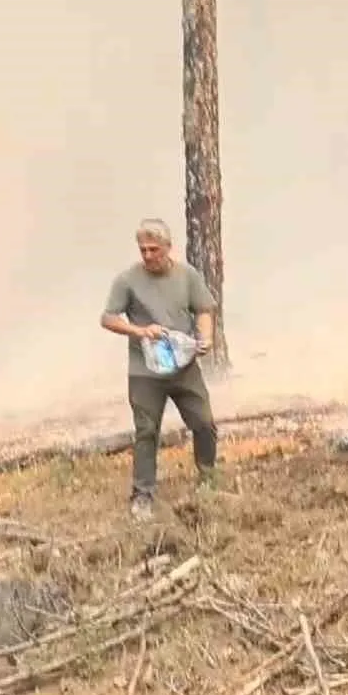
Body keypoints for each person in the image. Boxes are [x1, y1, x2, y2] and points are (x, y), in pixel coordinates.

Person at [100, 218, 219, 521]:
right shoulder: (127, 280)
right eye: (143, 250)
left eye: (154, 249)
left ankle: (207, 480)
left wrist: (205, 338)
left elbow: (204, 309)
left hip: (183, 366)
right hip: (145, 371)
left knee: (204, 423)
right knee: (146, 430)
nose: (149, 255)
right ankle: (143, 494)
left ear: (168, 247)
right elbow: (108, 318)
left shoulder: (187, 275)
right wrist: (139, 331)